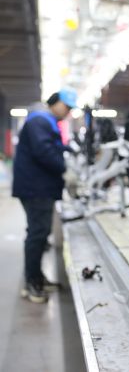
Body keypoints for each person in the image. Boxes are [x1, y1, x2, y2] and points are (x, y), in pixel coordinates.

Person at [12, 88, 77, 303]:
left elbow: (52, 147)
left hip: (39, 186)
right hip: (35, 188)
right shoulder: (40, 120)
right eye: (67, 107)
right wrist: (64, 170)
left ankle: (37, 278)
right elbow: (44, 151)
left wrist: (67, 152)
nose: (68, 112)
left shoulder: (44, 120)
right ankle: (31, 284)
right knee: (37, 233)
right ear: (55, 102)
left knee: (40, 233)